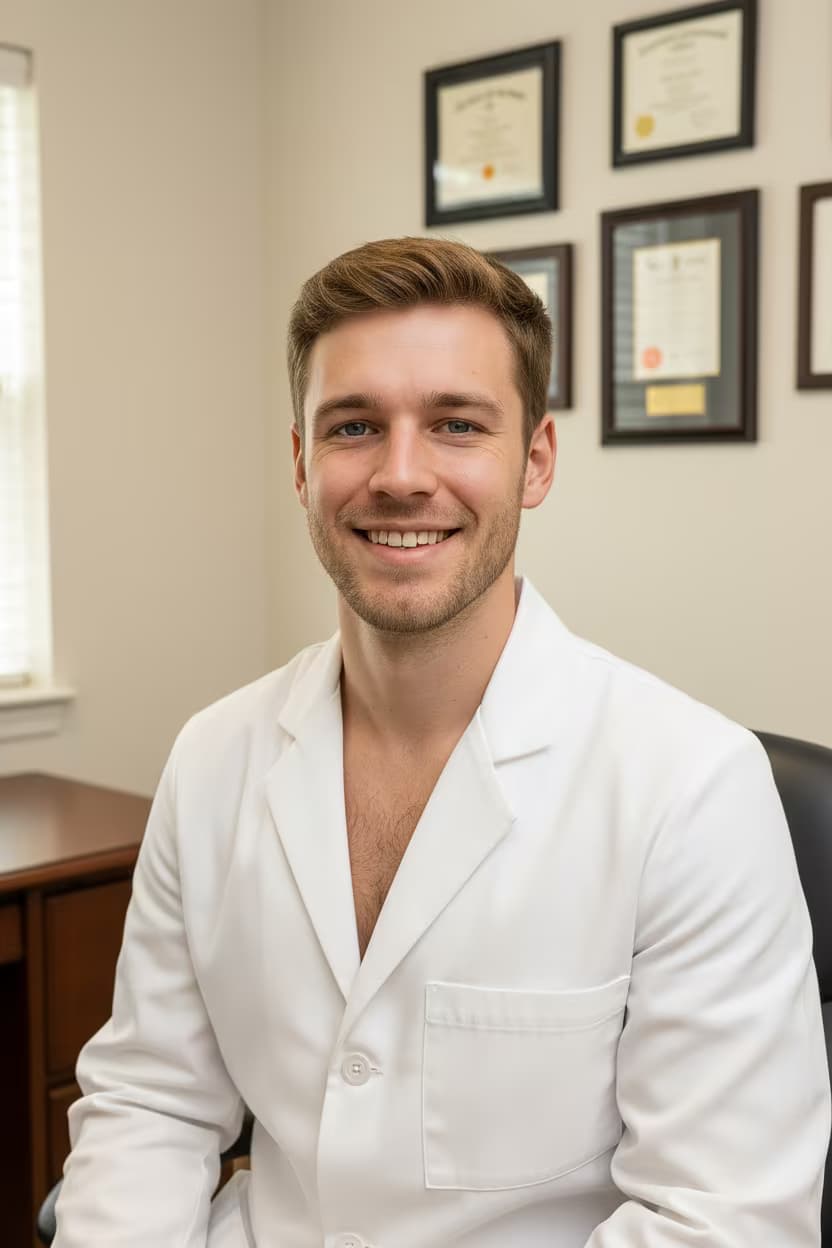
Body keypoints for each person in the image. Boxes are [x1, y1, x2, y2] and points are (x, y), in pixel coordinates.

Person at [54, 237, 829, 1247]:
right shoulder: (213, 756)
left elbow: (721, 1221)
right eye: (354, 427)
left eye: (456, 424)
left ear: (535, 460)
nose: (401, 474)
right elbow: (151, 1105)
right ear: (301, 463)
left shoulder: (690, 788)